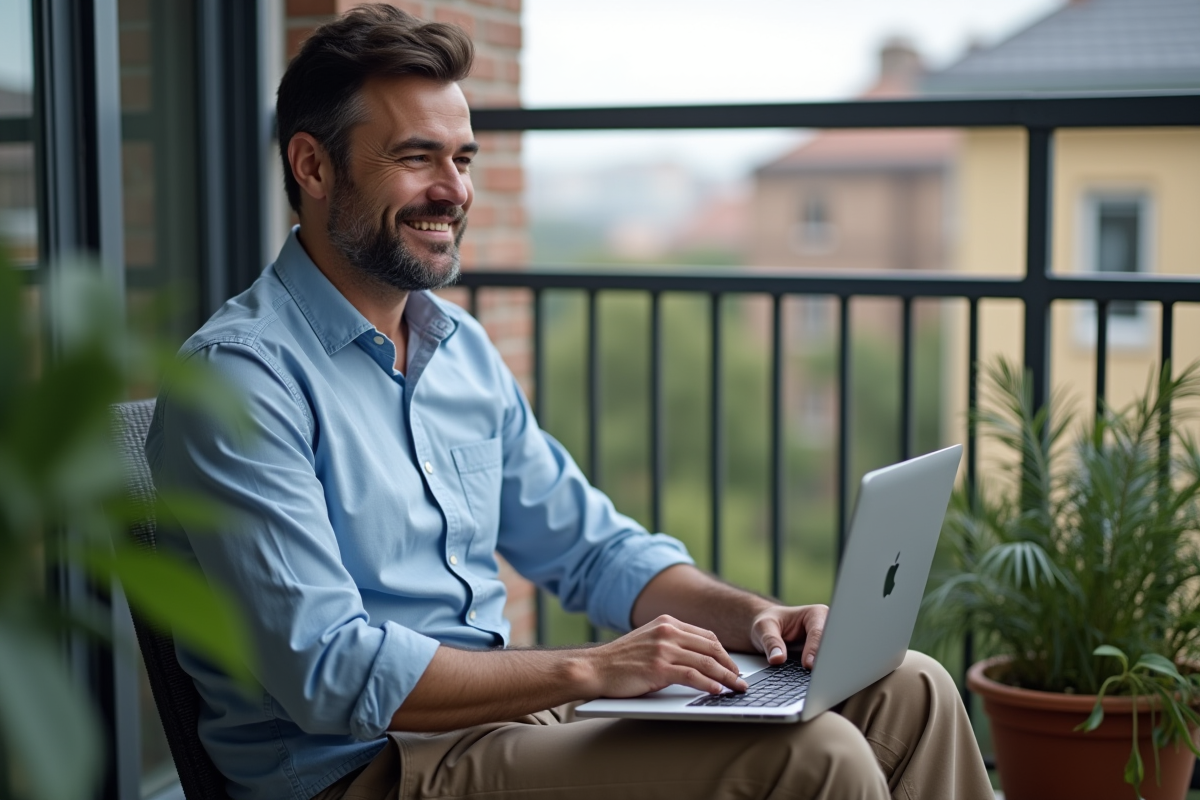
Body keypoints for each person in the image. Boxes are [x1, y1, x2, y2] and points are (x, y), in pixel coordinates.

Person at [147, 6, 992, 800]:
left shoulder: (459, 351)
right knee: (819, 759)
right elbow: (331, 672)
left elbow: (594, 552)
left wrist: (758, 620)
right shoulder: (242, 382)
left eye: (464, 159)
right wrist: (593, 669)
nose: (454, 191)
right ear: (313, 166)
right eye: (417, 158)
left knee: (909, 687)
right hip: (369, 769)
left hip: (506, 725)